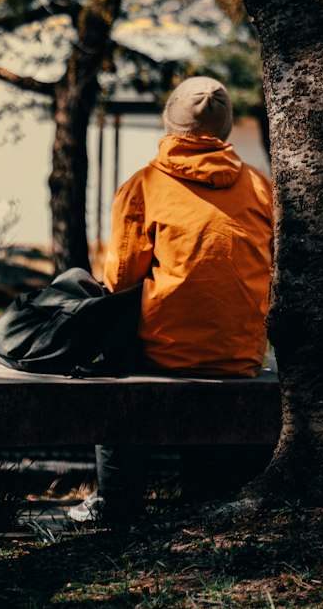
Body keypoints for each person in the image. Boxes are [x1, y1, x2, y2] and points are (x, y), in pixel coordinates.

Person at [68, 75, 274, 525]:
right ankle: (207, 494)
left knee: (113, 365)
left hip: (162, 352)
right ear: (226, 131)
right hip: (240, 355)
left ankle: (116, 502)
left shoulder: (144, 186)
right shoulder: (260, 187)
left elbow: (120, 281)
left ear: (168, 124)